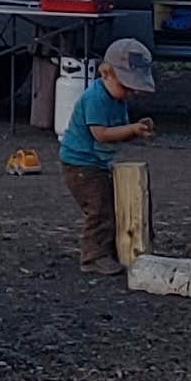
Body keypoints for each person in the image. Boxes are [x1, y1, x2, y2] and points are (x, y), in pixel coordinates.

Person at [59, 37, 159, 273]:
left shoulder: (116, 98)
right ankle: (93, 257)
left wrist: (136, 130)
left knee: (116, 204)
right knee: (100, 209)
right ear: (106, 74)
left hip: (99, 163)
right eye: (126, 86)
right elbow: (102, 134)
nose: (129, 92)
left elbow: (118, 131)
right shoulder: (95, 98)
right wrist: (132, 129)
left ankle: (121, 247)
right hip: (80, 165)